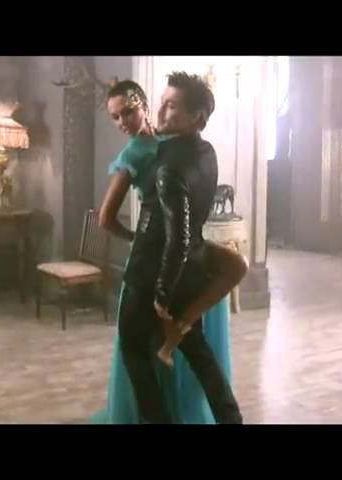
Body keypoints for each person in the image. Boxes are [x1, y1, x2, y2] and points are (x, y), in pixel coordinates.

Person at [90, 80, 246, 424]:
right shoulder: (183, 150)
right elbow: (112, 218)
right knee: (193, 348)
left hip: (161, 264)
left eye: (128, 112)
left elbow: (174, 231)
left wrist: (158, 279)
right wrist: (138, 237)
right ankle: (229, 417)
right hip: (180, 260)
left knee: (140, 348)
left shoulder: (167, 151)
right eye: (115, 117)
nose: (122, 122)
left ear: (143, 106)